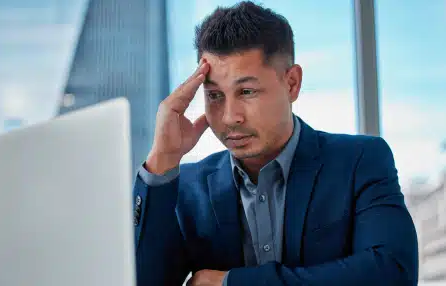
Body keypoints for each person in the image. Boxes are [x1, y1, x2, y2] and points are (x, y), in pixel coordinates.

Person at [133, 2, 418, 285]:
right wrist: (163, 158)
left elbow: (392, 272)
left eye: (246, 91)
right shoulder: (187, 188)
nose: (230, 117)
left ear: (292, 83)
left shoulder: (360, 161)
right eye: (215, 95)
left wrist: (232, 283)